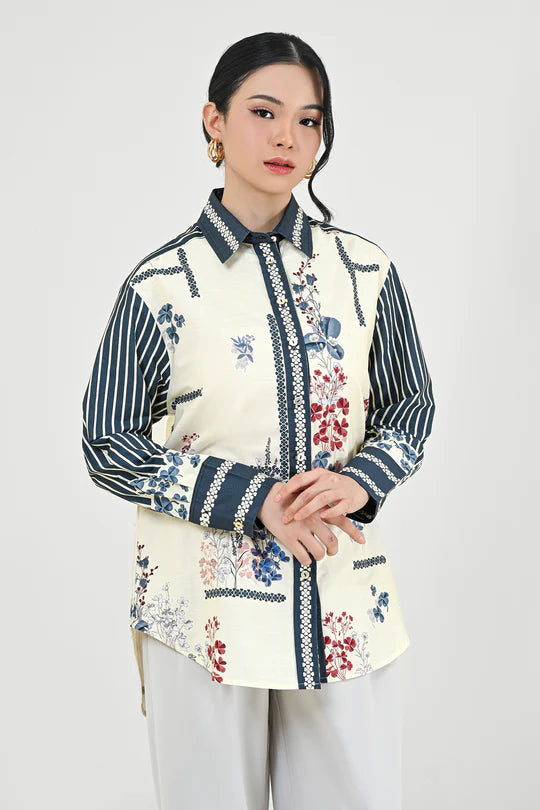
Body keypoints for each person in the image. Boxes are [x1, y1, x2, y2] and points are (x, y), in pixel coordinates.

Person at [82, 31, 435, 810]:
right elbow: (108, 442)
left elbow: (410, 404)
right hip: (203, 613)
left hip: (340, 598)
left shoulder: (365, 273)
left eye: (309, 120)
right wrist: (255, 500)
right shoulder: (161, 285)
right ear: (214, 121)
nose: (287, 138)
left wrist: (360, 482)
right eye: (264, 112)